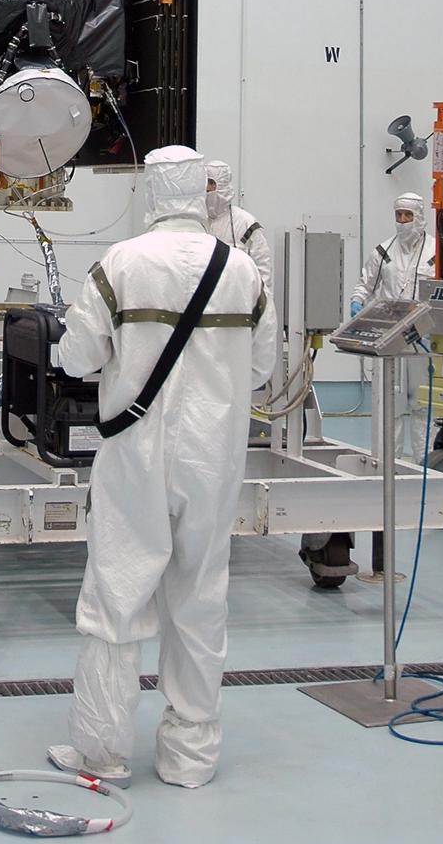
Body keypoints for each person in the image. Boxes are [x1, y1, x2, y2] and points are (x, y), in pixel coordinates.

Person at [47, 146, 279, 789]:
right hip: (215, 458)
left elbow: (76, 357)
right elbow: (261, 369)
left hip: (136, 454)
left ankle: (101, 751)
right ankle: (191, 757)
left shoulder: (120, 264)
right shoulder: (241, 271)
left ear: (152, 191)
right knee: (201, 595)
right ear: (202, 191)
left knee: (117, 591)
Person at [350, 192, 437, 459]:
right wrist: (357, 301)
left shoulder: (437, 252)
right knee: (391, 402)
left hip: (423, 339)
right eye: (398, 215)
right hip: (390, 338)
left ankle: (426, 463)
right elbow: (365, 284)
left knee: (424, 404)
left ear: (419, 217)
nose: (402, 221)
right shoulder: (383, 251)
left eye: (407, 216)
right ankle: (390, 462)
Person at [204, 159, 272, 293]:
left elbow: (262, 268)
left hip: (236, 300)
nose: (207, 188)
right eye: (205, 182)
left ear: (222, 186)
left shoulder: (245, 223)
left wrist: (261, 305)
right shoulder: (196, 220)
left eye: (212, 183)